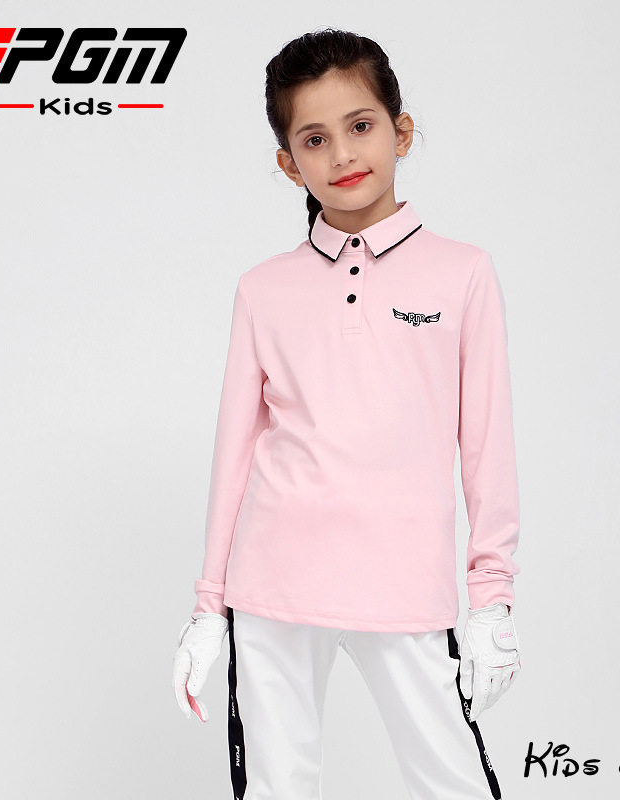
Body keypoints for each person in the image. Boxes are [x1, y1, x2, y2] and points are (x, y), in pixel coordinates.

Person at [172, 27, 522, 800]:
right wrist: (207, 609)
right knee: (277, 789)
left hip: (404, 584)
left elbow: (486, 446)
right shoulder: (263, 289)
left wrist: (492, 599)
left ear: (401, 131)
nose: (341, 154)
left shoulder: (462, 274)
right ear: (288, 163)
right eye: (314, 139)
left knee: (453, 784)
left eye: (360, 125)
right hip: (270, 585)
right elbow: (234, 455)